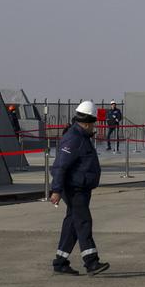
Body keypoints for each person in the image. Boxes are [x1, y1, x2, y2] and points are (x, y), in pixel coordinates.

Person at [48, 101, 109, 275]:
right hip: (74, 189)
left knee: (72, 224)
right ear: (88, 123)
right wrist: (56, 190)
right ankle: (91, 262)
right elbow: (60, 166)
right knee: (83, 222)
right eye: (93, 124)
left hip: (81, 187)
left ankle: (60, 262)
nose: (94, 128)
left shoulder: (81, 136)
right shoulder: (74, 138)